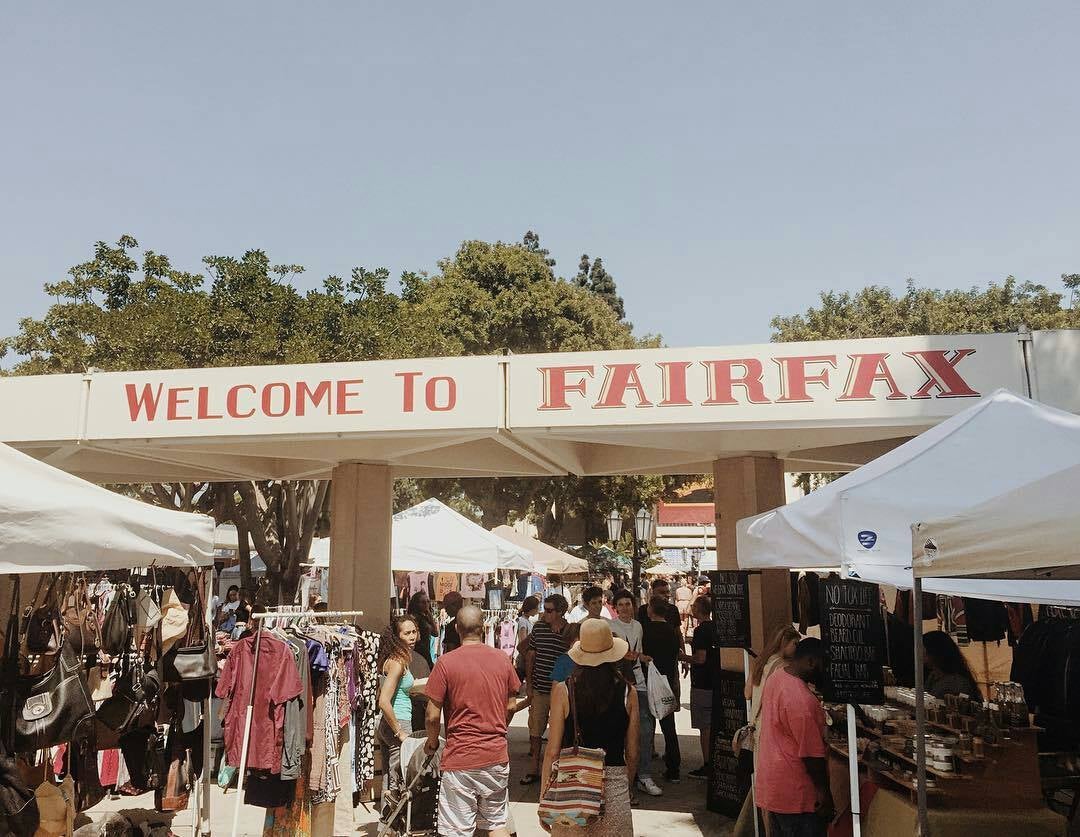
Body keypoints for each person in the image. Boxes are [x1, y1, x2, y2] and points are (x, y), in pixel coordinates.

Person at [425, 605, 520, 837]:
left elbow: (432, 715)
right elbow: (511, 706)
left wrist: (432, 742)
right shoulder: (502, 659)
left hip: (460, 756)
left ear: (457, 628)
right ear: (484, 627)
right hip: (495, 755)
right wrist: (499, 727)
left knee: (457, 829)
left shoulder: (445, 663)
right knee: (496, 823)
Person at [541, 618, 639, 836]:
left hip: (572, 789)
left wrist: (544, 798)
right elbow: (632, 753)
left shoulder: (563, 690)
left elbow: (552, 751)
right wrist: (626, 786)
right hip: (614, 788)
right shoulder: (628, 692)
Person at [755, 638, 832, 837]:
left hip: (776, 788)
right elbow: (812, 756)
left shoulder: (778, 677)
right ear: (811, 662)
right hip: (797, 796)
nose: (826, 671)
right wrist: (824, 793)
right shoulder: (802, 700)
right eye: (824, 664)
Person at [610, 589, 662, 798]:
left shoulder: (638, 626)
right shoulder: (610, 626)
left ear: (633, 606)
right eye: (620, 604)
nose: (624, 608)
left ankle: (644, 775)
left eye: (628, 604)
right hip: (617, 683)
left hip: (638, 682)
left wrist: (641, 657)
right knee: (620, 731)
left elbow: (637, 651)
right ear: (615, 608)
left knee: (646, 729)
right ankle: (622, 776)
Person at [521, 593, 569, 785]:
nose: (545, 614)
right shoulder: (539, 628)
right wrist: (529, 685)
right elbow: (530, 656)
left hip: (560, 690)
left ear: (560, 612)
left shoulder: (568, 631)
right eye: (545, 609)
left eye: (549, 611)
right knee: (535, 730)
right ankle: (534, 767)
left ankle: (557, 768)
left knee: (560, 731)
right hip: (540, 688)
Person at [377, 615, 421, 823]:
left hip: (390, 723)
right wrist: (399, 732)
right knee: (398, 782)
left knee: (389, 780)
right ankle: (393, 825)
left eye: (414, 632)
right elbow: (384, 701)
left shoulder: (394, 659)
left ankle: (387, 826)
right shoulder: (398, 662)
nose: (412, 636)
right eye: (407, 633)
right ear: (397, 636)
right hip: (398, 722)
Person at [642, 594, 682, 783]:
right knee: (669, 728)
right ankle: (674, 768)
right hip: (666, 682)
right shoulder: (671, 632)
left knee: (645, 727)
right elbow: (675, 656)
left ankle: (643, 769)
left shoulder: (645, 631)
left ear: (650, 609)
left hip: (647, 682)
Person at [678, 595, 717, 779]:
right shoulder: (716, 627)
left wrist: (683, 657)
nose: (691, 608)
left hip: (702, 683)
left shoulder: (701, 631)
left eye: (693, 606)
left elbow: (701, 658)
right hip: (715, 681)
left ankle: (707, 764)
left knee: (705, 727)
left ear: (698, 609)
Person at [923, 630, 982, 699]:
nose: (919, 654)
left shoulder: (957, 683)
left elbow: (962, 701)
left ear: (933, 652)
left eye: (923, 651)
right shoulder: (933, 676)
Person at [408, 590, 439, 668]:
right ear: (416, 604)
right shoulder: (413, 618)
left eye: (428, 602)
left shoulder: (425, 617)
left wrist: (429, 615)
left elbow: (435, 633)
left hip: (425, 650)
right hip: (418, 651)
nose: (426, 604)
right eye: (423, 602)